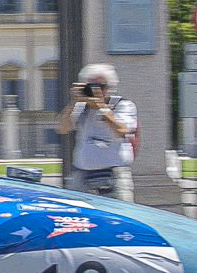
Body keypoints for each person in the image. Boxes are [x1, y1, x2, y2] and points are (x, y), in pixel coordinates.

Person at [57, 62, 139, 199]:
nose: (96, 90)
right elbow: (62, 129)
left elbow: (121, 130)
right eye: (90, 86)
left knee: (118, 215)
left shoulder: (122, 105)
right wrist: (73, 102)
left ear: (110, 87)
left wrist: (101, 107)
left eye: (101, 86)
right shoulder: (81, 107)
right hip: (82, 174)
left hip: (113, 175)